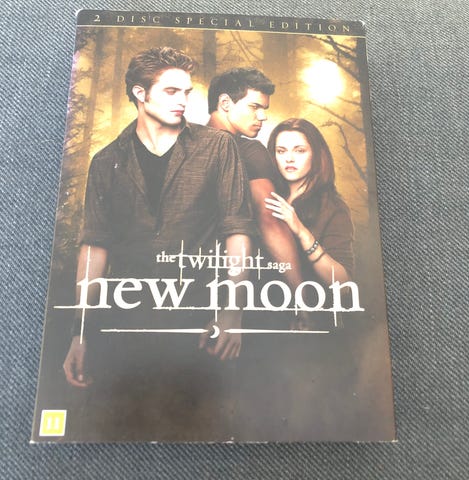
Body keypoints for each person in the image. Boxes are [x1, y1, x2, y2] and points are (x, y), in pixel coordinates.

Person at [62, 47, 254, 440]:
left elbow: (237, 232)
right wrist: (79, 332)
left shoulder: (218, 146)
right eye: (171, 91)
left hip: (198, 322)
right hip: (125, 323)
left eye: (187, 91)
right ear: (140, 93)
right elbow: (94, 249)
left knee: (204, 431)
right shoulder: (105, 162)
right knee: (120, 430)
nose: (183, 100)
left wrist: (233, 312)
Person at [207, 68, 306, 327]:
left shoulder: (185, 145)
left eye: (264, 109)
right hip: (251, 292)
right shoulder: (248, 150)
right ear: (225, 103)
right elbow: (270, 219)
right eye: (254, 107)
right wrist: (301, 298)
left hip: (188, 287)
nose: (262, 116)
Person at [265, 117, 354, 291]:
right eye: (281, 151)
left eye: (299, 151)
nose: (289, 159)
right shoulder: (267, 195)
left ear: (316, 154)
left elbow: (343, 285)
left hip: (311, 303)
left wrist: (302, 232)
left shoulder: (334, 208)